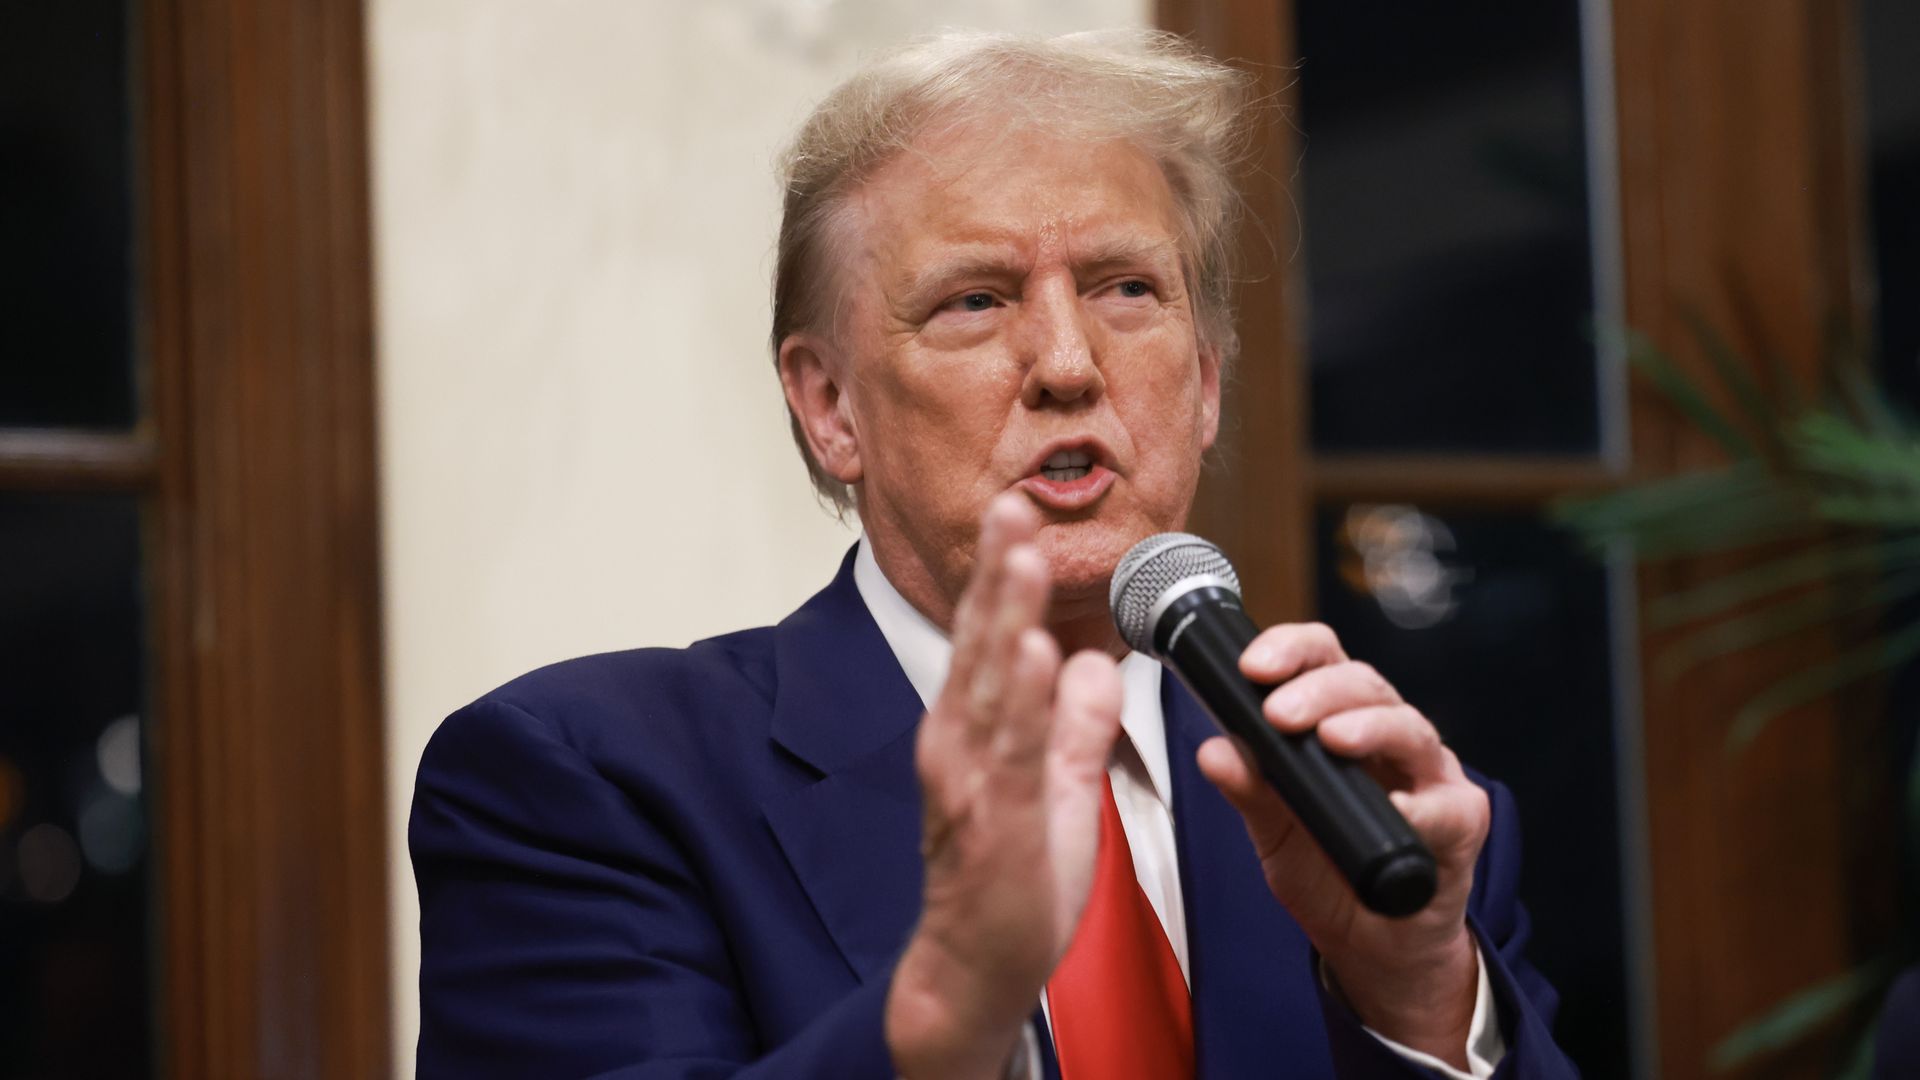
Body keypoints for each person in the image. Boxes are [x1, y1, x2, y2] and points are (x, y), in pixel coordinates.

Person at [410, 29, 1578, 1079]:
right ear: (830, 407)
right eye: (975, 301)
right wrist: (950, 1007)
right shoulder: (591, 778)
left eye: (1128, 289)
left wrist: (1417, 995)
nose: (1068, 361)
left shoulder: (1382, 823)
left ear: (1207, 385)